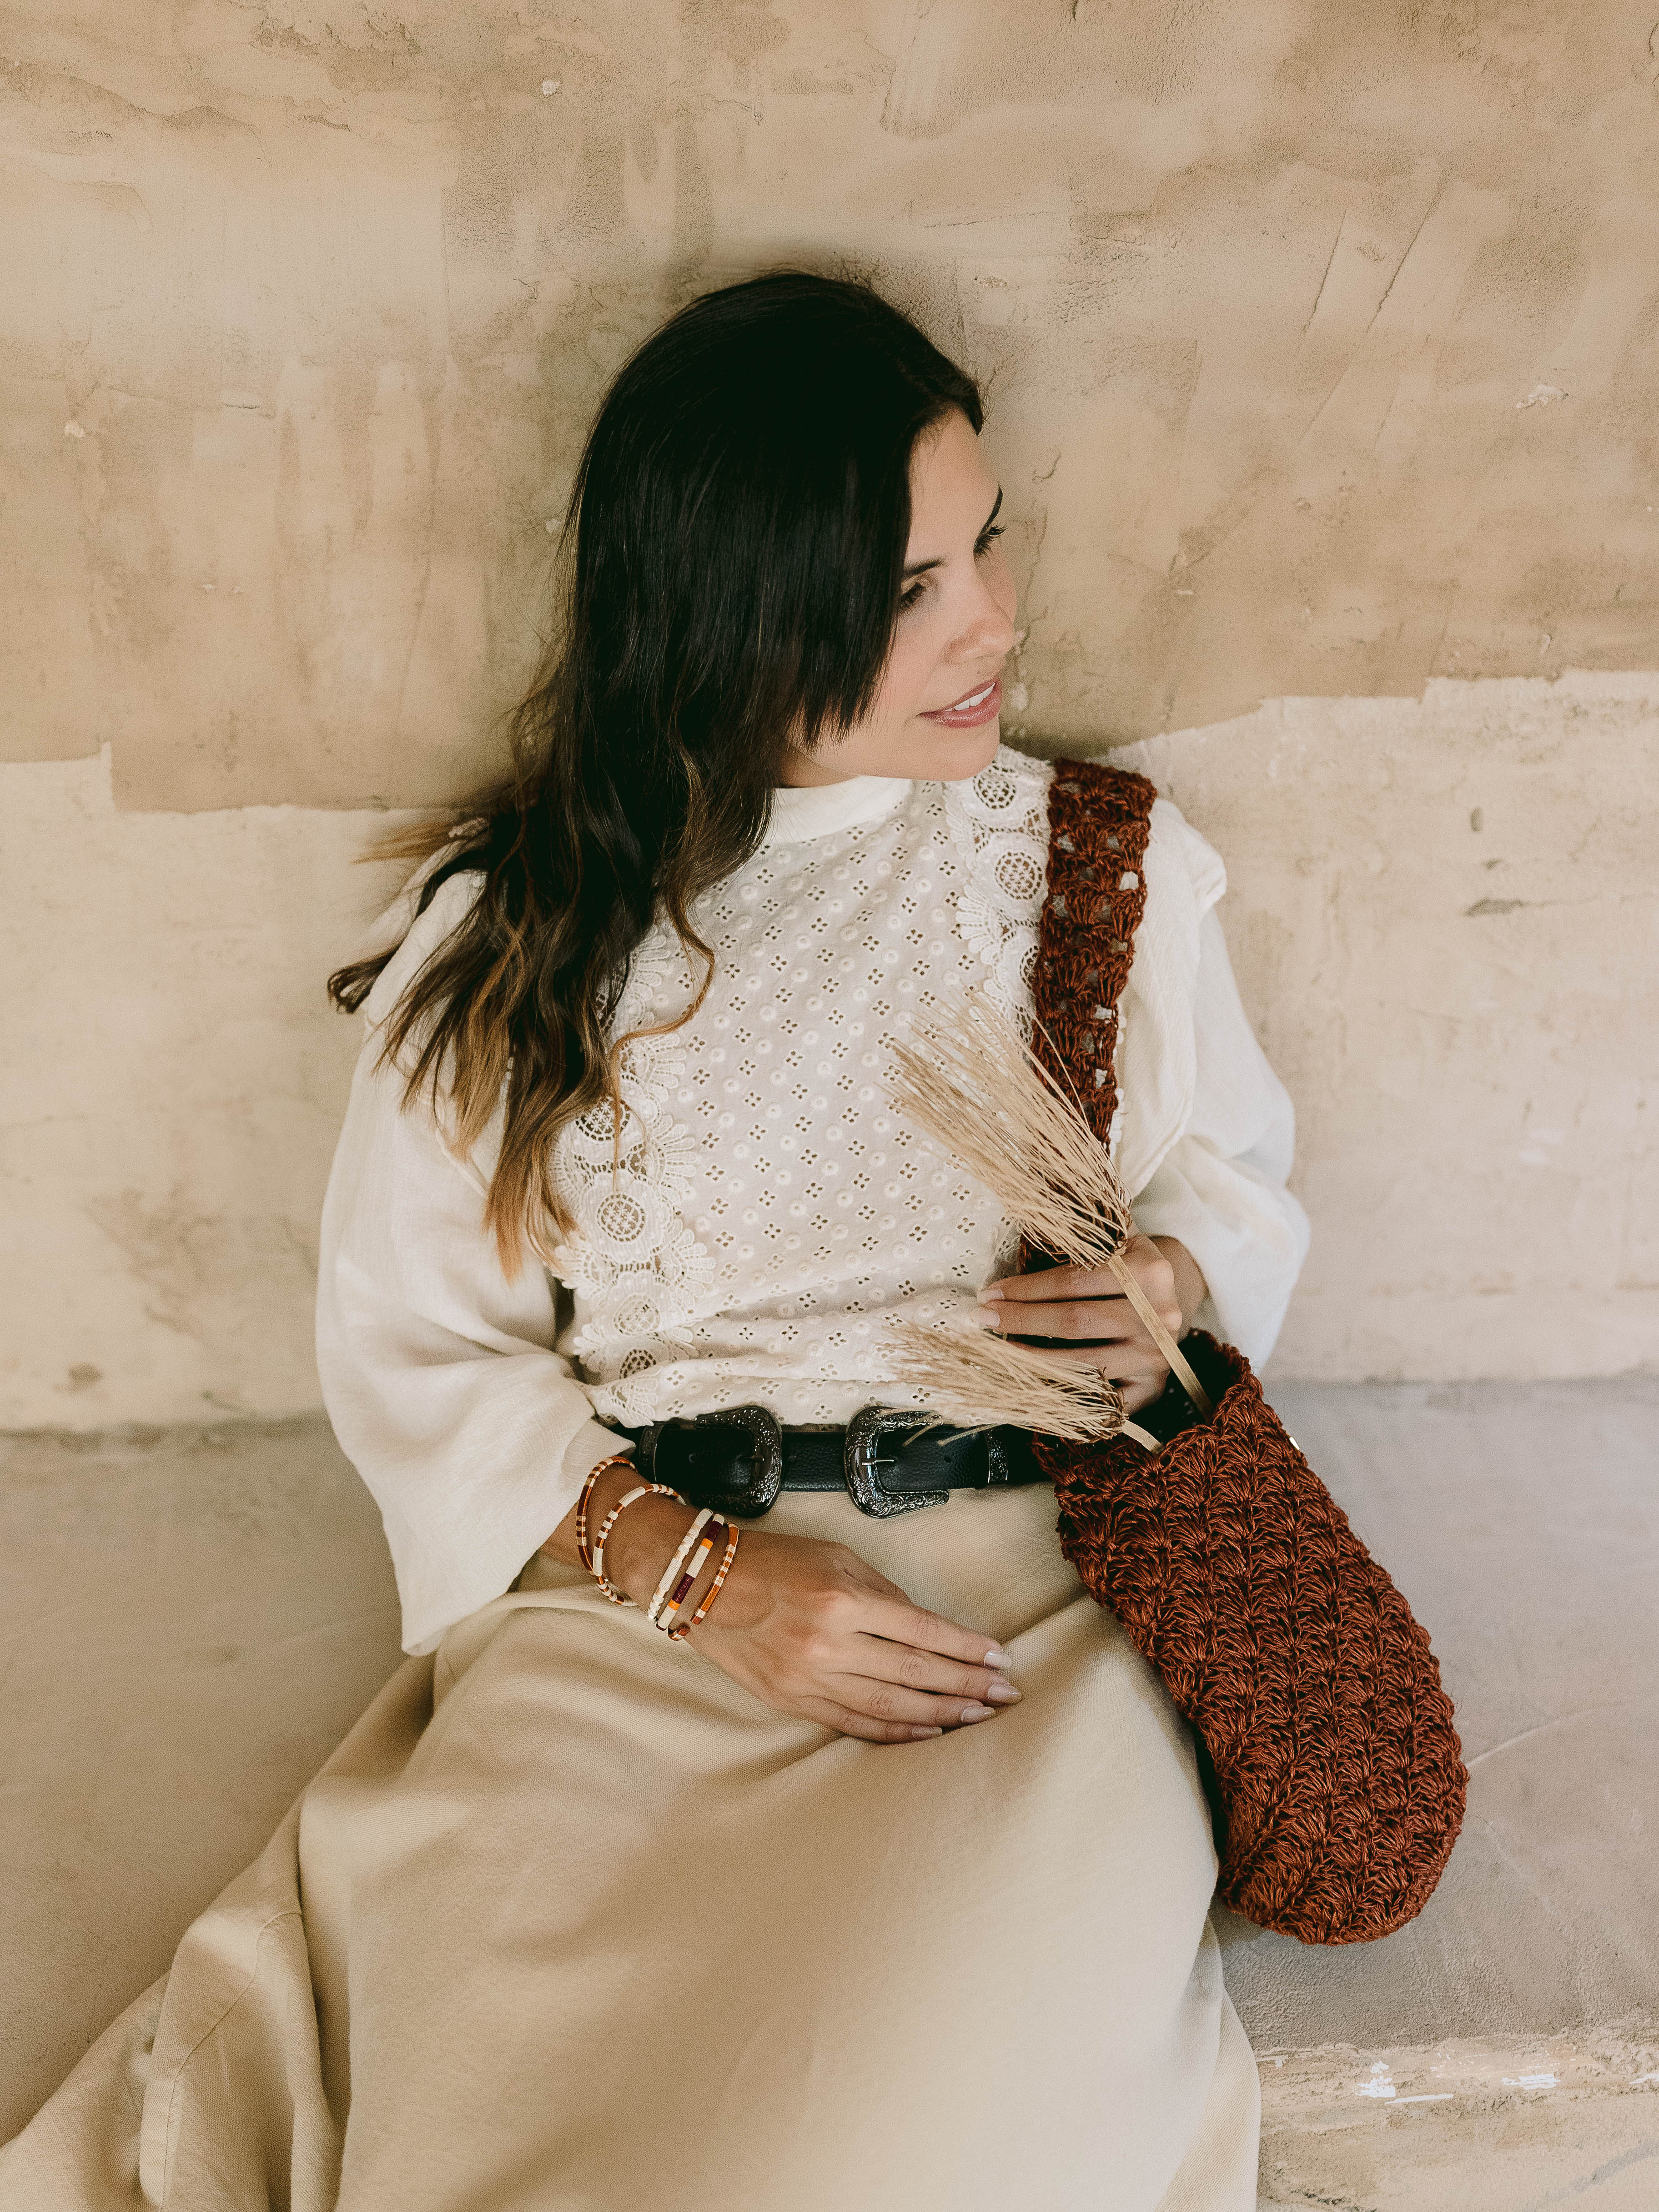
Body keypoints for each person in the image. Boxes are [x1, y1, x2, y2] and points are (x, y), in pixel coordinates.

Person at [0, 272, 1309, 2212]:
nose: (994, 621)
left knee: (895, 2138)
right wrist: (715, 1585)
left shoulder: (1098, 865)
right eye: (906, 591)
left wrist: (1167, 1296)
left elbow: (1234, 1177)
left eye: (987, 542)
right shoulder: (528, 933)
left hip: (1019, 1632)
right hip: (641, 1618)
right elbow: (420, 1349)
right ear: (738, 616)